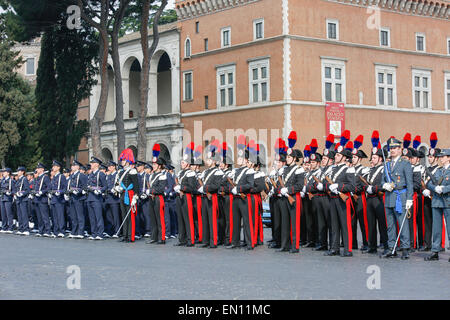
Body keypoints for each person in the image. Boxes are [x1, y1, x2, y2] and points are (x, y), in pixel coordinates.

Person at [324, 131, 356, 258]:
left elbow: (351, 186)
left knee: (345, 224)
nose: (335, 157)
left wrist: (338, 186)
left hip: (343, 199)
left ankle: (348, 249)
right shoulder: (332, 169)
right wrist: (329, 186)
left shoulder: (349, 168)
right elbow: (324, 182)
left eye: (338, 155)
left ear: (344, 157)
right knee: (334, 224)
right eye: (336, 155)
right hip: (333, 198)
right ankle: (334, 248)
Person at [381, 137, 414, 260]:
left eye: (395, 148)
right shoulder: (387, 164)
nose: (392, 150)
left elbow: (410, 183)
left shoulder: (405, 163)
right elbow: (382, 180)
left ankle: (405, 248)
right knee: (390, 225)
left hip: (401, 196)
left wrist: (409, 199)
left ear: (400, 149)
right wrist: (385, 185)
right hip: (389, 196)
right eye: (391, 148)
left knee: (402, 224)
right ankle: (392, 248)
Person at [276, 131, 305, 253]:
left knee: (294, 223)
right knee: (285, 222)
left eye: (288, 157)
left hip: (293, 197)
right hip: (284, 198)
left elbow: (299, 185)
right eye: (286, 157)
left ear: (294, 158)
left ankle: (295, 246)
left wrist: (287, 190)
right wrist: (280, 190)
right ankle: (285, 245)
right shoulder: (284, 170)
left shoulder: (299, 169)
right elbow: (278, 183)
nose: (286, 159)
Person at [226, 134, 255, 250]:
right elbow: (228, 182)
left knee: (247, 222)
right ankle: (235, 242)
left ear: (246, 160)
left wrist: (238, 189)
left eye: (240, 158)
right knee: (235, 221)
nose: (238, 159)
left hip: (244, 198)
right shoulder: (236, 171)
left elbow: (250, 185)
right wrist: (232, 189)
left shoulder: (249, 171)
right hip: (236, 199)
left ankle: (250, 243)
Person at [363, 131, 389, 255]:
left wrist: (373, 189)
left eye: (374, 157)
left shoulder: (384, 169)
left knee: (382, 224)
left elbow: (384, 185)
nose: (372, 160)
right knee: (371, 223)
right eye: (372, 157)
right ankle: (372, 246)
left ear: (379, 158)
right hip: (370, 199)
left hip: (379, 199)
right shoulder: (370, 170)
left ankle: (386, 246)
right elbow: (364, 182)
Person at [424, 148, 450, 262]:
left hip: (447, 201)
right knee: (436, 228)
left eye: (443, 157)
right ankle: (435, 251)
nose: (441, 158)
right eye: (440, 157)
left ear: (448, 158)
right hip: (437, 202)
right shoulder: (438, 170)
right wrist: (435, 188)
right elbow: (429, 183)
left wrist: (443, 189)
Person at [198, 140, 223, 248]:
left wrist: (205, 188)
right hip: (204, 197)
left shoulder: (217, 171)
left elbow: (216, 186)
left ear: (213, 161)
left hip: (212, 197)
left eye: (209, 160)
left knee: (212, 220)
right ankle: (206, 240)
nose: (207, 161)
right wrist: (202, 188)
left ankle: (213, 241)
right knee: (205, 219)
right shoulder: (205, 172)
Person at [173, 142, 197, 247]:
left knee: (188, 219)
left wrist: (182, 188)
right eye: (181, 162)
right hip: (179, 197)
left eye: (183, 163)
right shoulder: (180, 173)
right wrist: (176, 188)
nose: (181, 164)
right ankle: (181, 239)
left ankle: (190, 239)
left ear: (187, 164)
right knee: (180, 219)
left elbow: (191, 187)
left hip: (187, 197)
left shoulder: (191, 173)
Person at [114, 149, 139, 243]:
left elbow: (136, 186)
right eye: (122, 160)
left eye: (124, 160)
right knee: (124, 215)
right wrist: (117, 188)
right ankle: (125, 235)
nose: (122, 161)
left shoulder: (132, 171)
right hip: (123, 194)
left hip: (130, 194)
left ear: (128, 161)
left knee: (130, 217)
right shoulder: (120, 172)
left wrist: (135, 197)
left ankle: (130, 236)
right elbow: (117, 183)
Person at [421, 132, 440, 251]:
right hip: (426, 199)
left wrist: (431, 192)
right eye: (429, 156)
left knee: (436, 224)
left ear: (436, 158)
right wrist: (423, 190)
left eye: (432, 156)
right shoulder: (426, 169)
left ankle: (437, 245)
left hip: (435, 198)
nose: (429, 158)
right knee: (427, 222)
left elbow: (439, 185)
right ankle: (427, 244)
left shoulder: (439, 170)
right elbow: (422, 182)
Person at [147, 143, 169, 244]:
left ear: (159, 166)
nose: (153, 166)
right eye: (153, 164)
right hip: (151, 198)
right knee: (153, 218)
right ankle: (154, 237)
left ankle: (162, 237)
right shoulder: (152, 176)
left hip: (158, 198)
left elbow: (161, 189)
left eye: (155, 164)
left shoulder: (162, 175)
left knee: (160, 218)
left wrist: (150, 191)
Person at [85, 157, 107, 240]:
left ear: (97, 164)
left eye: (93, 163)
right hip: (90, 197)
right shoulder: (90, 174)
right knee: (92, 217)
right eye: (91, 163)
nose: (91, 164)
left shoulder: (100, 174)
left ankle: (100, 233)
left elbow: (105, 186)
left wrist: (99, 190)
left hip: (97, 198)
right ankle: (93, 233)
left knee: (98, 216)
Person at [66, 160, 87, 239]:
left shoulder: (81, 175)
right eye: (72, 165)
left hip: (79, 198)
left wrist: (78, 191)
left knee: (80, 216)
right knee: (73, 216)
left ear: (78, 167)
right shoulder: (72, 176)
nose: (72, 167)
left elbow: (85, 187)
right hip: (72, 197)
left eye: (74, 165)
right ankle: (74, 231)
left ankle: (80, 232)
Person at [49, 160, 67, 238]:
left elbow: (65, 188)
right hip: (53, 199)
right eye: (53, 166)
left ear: (58, 168)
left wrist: (60, 192)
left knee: (60, 216)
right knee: (54, 216)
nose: (53, 168)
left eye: (55, 166)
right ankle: (56, 231)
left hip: (59, 199)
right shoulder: (54, 177)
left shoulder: (61, 176)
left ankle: (61, 231)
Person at [104, 160, 121, 238]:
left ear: (114, 167)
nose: (109, 168)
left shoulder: (117, 175)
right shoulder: (109, 175)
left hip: (114, 198)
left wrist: (114, 189)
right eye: (108, 166)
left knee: (115, 216)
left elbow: (118, 185)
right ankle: (110, 231)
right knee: (109, 216)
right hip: (108, 198)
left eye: (110, 166)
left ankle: (117, 231)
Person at [0, 168, 16, 233]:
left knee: (9, 213)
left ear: (8, 173)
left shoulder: (11, 181)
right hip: (2, 198)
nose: (3, 173)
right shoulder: (2, 180)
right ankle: (4, 227)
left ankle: (10, 227)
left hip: (8, 198)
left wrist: (10, 193)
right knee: (3, 213)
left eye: (5, 172)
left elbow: (14, 190)